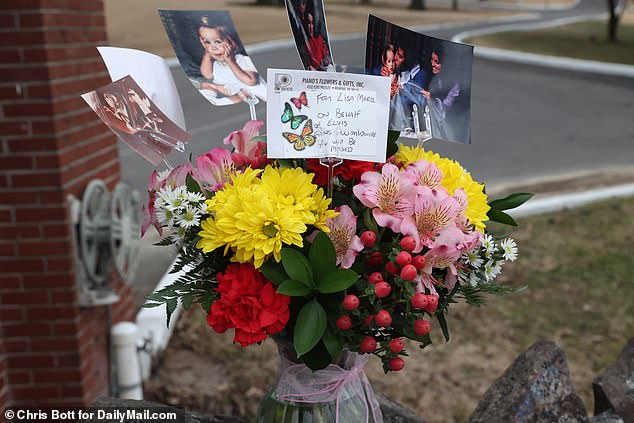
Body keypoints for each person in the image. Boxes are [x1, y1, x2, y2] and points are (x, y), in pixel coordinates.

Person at [197, 17, 266, 104]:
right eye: (207, 42)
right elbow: (207, 75)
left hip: (251, 91)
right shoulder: (217, 63)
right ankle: (213, 101)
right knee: (205, 84)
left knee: (244, 92)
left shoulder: (242, 60)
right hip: (232, 88)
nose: (213, 47)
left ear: (232, 43)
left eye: (218, 42)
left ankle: (228, 100)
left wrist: (230, 61)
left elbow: (251, 81)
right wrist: (207, 55)